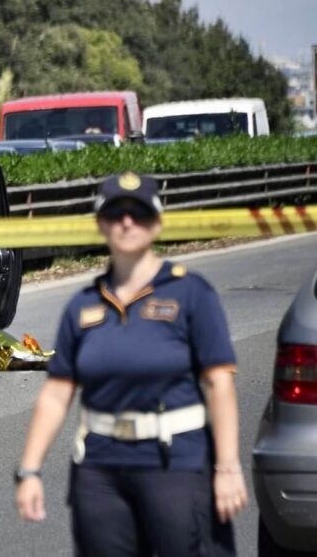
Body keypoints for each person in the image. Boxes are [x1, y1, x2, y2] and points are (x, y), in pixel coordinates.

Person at [14, 171, 248, 555]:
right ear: (100, 224)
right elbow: (56, 394)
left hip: (176, 464)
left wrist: (227, 467)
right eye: (115, 213)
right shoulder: (82, 306)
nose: (126, 222)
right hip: (100, 470)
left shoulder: (191, 294)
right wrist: (29, 470)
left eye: (138, 213)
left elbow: (219, 383)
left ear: (156, 223)